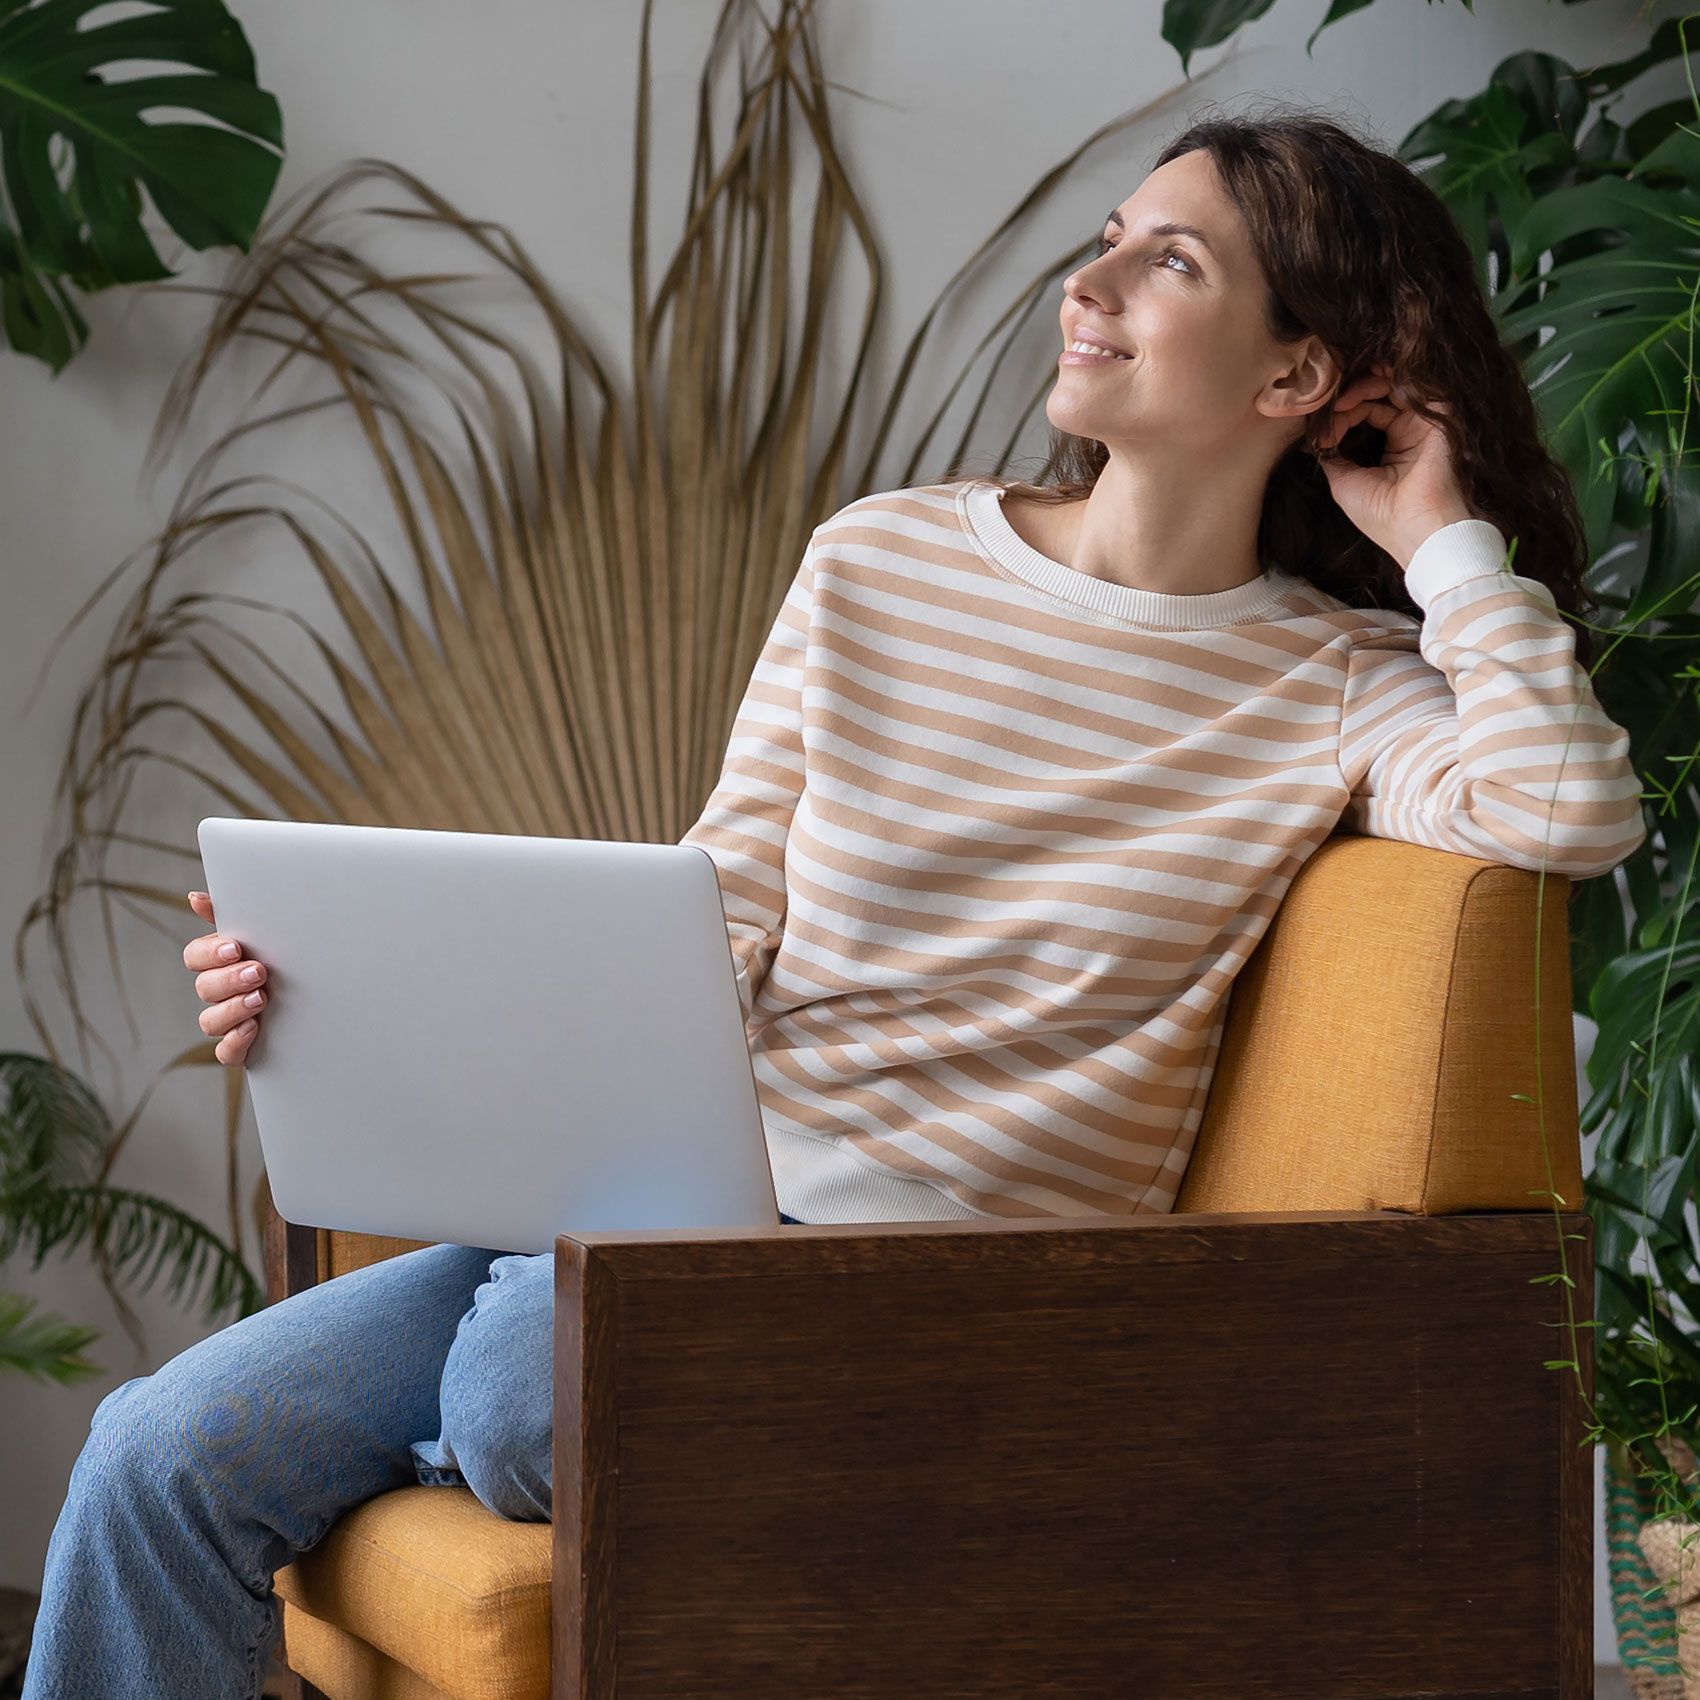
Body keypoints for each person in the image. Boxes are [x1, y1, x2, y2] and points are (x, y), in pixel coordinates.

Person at [23, 109, 1645, 1699]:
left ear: (1295, 378)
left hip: (924, 1294)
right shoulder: (882, 562)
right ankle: (505, 1344)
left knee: (528, 1392)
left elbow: (1566, 809)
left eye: (1173, 264)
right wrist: (365, 1032)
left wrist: (1442, 549)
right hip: (670, 1211)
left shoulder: (1334, 685)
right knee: (155, 1456)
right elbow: (718, 909)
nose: (1095, 288)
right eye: (1105, 246)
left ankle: (494, 1369)